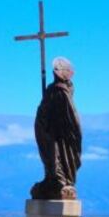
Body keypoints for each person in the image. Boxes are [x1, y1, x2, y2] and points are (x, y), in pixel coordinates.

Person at [31, 56, 82, 200]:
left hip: (57, 133)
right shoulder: (53, 89)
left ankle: (60, 181)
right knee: (49, 156)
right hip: (48, 130)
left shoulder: (60, 90)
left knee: (56, 156)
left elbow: (69, 114)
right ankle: (52, 180)